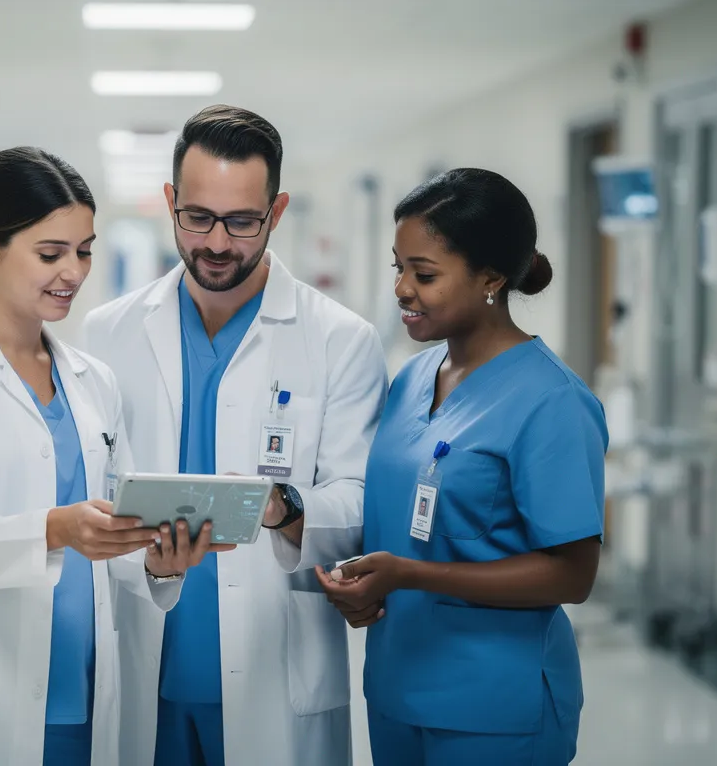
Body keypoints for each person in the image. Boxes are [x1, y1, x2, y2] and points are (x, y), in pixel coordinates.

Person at [0, 147, 220, 766]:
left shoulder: (93, 380)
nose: (74, 272)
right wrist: (53, 529)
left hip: (83, 688)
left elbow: (116, 534)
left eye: (84, 250)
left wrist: (162, 562)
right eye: (50, 253)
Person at [83, 105, 389, 766]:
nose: (216, 243)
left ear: (277, 212)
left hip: (275, 666)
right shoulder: (108, 334)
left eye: (242, 222)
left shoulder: (340, 340)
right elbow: (92, 495)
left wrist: (287, 507)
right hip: (147, 660)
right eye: (196, 217)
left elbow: (363, 499)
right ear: (169, 202)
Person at [317, 168, 608, 765]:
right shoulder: (412, 380)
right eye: (398, 267)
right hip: (398, 687)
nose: (401, 288)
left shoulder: (551, 402)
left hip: (495, 709)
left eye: (424, 274)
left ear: (492, 280)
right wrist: (362, 586)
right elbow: (397, 522)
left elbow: (572, 576)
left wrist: (411, 575)